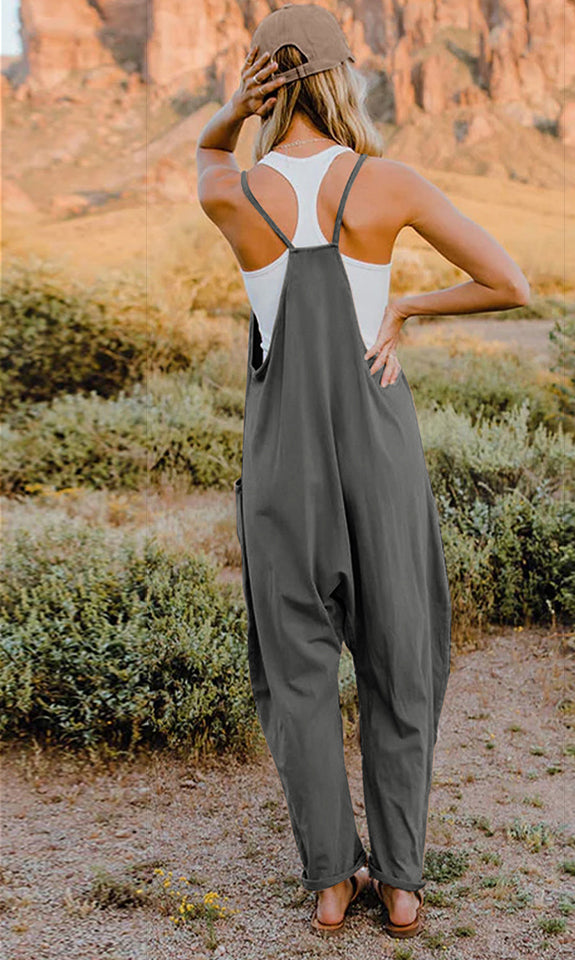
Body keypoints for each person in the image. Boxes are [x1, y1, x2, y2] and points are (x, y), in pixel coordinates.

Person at [196, 3, 530, 940]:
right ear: (343, 77)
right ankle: (406, 883)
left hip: (280, 459)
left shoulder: (233, 191)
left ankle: (331, 884)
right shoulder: (387, 183)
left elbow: (205, 159)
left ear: (265, 82)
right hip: (379, 448)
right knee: (401, 659)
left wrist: (232, 110)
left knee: (297, 669)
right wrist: (409, 305)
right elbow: (512, 282)